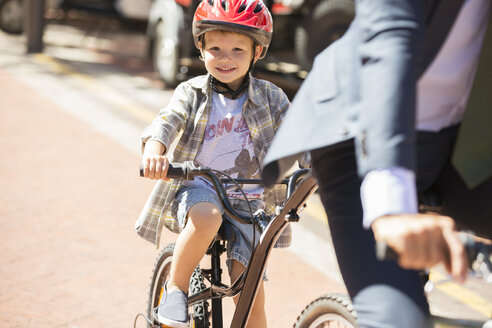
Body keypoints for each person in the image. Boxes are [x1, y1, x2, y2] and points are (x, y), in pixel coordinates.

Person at [262, 0, 491, 327]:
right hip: (358, 138)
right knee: (399, 320)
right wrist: (391, 206)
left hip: (463, 144)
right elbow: (391, 37)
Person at [135, 0, 303, 326]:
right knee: (206, 216)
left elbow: (301, 135)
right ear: (200, 49)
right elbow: (166, 123)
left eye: (238, 50)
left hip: (251, 201)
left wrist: (322, 164)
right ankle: (176, 288)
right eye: (216, 48)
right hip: (200, 187)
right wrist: (155, 152)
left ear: (257, 52)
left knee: (251, 299)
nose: (226, 58)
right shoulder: (191, 92)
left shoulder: (272, 98)